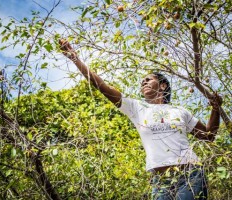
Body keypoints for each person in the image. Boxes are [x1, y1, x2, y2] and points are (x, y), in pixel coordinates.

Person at [59, 39, 222, 200]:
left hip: (190, 176)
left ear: (163, 86)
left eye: (148, 79)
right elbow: (100, 85)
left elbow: (208, 137)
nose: (144, 82)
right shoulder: (136, 108)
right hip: (160, 183)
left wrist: (216, 109)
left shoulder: (180, 111)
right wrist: (75, 58)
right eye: (142, 81)